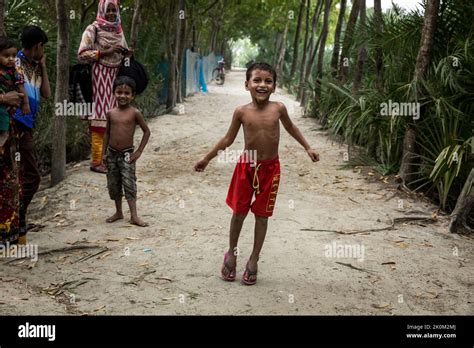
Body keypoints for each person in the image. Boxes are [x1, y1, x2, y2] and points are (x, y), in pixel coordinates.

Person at [194, 62, 320, 285]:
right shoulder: (241, 112)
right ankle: (231, 252)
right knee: (239, 213)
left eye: (268, 81)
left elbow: (291, 128)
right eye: (257, 80)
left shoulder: (278, 108)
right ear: (247, 85)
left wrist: (307, 147)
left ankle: (254, 259)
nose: (262, 85)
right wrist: (207, 159)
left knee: (262, 215)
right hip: (246, 167)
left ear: (274, 86)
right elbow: (228, 139)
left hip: (271, 169)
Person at [78, 0, 132, 174]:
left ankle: (108, 159)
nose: (110, 13)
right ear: (101, 10)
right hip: (99, 76)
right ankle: (96, 161)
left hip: (117, 78)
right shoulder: (93, 29)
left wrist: (127, 54)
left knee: (115, 116)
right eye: (107, 9)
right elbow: (82, 54)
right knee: (100, 117)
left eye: (113, 9)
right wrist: (104, 52)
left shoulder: (118, 29)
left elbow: (124, 54)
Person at [13, 25, 51, 244]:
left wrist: (43, 68)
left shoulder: (35, 66)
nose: (42, 50)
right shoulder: (15, 64)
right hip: (17, 124)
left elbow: (46, 94)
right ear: (37, 46)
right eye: (42, 47)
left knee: (23, 175)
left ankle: (18, 221)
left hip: (28, 124)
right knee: (32, 177)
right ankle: (18, 219)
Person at [102, 76, 150, 227]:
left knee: (129, 183)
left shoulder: (135, 113)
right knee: (114, 183)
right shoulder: (110, 113)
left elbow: (146, 132)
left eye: (127, 93)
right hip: (111, 154)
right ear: (114, 93)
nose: (122, 95)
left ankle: (134, 216)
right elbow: (107, 133)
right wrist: (103, 153)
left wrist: (139, 152)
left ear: (133, 95)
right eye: (119, 92)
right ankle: (118, 212)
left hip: (127, 154)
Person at [0, 90, 24, 245]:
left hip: (9, 130)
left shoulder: (12, 70)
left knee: (12, 181)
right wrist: (2, 98)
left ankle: (10, 234)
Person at [0, 36, 30, 148]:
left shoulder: (15, 72)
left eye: (13, 56)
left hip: (11, 112)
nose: (11, 59)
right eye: (6, 56)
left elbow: (22, 88)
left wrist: (26, 103)